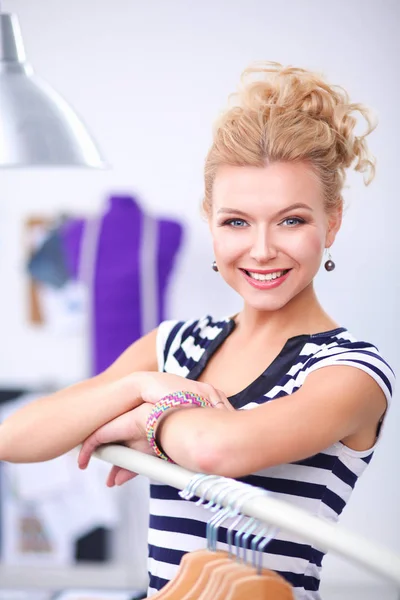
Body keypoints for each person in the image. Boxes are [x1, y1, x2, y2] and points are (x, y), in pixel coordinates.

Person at [0, 62, 395, 600]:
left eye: (291, 220)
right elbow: (15, 437)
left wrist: (147, 421)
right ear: (210, 220)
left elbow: (218, 450)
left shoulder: (351, 370)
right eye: (237, 221)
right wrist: (137, 388)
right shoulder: (174, 344)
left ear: (333, 220)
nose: (261, 249)